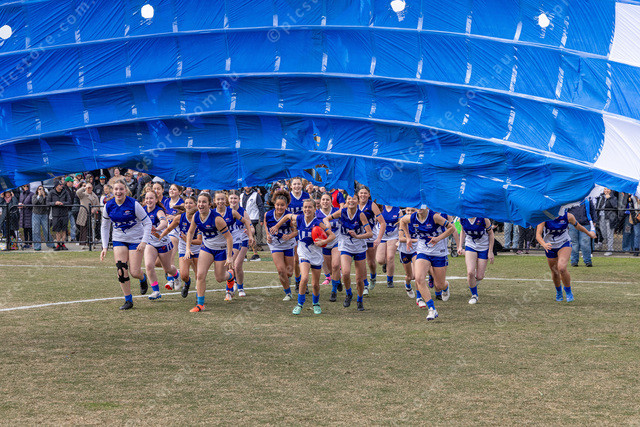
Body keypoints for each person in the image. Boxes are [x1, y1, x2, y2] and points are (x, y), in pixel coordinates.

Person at [271, 198, 335, 315]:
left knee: (315, 284)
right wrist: (277, 226)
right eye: (305, 207)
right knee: (304, 278)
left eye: (310, 207)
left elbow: (332, 236)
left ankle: (316, 303)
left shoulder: (318, 223)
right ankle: (299, 304)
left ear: (314, 209)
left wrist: (323, 242)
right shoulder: (299, 218)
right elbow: (287, 216)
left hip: (316, 255)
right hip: (303, 254)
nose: (307, 209)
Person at [100, 180, 152, 310]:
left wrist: (144, 241)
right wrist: (104, 247)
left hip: (135, 239)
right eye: (116, 189)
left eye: (121, 189)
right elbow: (105, 226)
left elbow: (147, 223)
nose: (118, 192)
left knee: (134, 272)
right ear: (112, 191)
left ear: (126, 190)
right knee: (121, 269)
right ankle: (128, 300)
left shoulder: (133, 204)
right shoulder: (108, 205)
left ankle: (142, 278)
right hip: (119, 239)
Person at [399, 207, 455, 321]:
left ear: (427, 206)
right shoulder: (412, 217)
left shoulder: (434, 217)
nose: (419, 208)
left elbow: (451, 228)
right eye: (417, 206)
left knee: (439, 285)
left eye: (422, 206)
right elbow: (402, 221)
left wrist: (438, 238)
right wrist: (408, 237)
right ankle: (432, 309)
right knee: (419, 278)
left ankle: (445, 286)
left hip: (439, 252)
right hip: (423, 251)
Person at [185, 192, 235, 312]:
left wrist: (229, 257)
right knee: (200, 275)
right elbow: (190, 232)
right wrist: (187, 248)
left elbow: (229, 237)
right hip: (207, 248)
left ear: (209, 204)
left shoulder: (217, 219)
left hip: (221, 250)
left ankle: (231, 276)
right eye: (199, 202)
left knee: (219, 278)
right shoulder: (196, 216)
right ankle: (200, 304)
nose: (201, 204)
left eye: (204, 202)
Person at [323, 194, 373, 311]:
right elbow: (326, 218)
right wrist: (327, 224)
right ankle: (349, 293)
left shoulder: (361, 215)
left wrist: (357, 236)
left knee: (359, 280)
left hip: (359, 247)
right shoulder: (342, 212)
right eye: (349, 199)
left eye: (354, 199)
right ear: (346, 201)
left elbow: (370, 233)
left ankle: (360, 300)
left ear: (357, 201)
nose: (351, 201)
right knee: (345, 273)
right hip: (345, 246)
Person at [536, 209, 596, 302]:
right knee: (554, 271)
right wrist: (544, 244)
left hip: (564, 243)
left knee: (562, 268)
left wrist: (589, 233)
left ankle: (568, 291)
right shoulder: (544, 216)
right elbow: (538, 235)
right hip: (550, 245)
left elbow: (578, 226)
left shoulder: (568, 216)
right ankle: (559, 292)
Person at [159, 195, 202, 299]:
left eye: (190, 203)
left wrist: (187, 239)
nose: (188, 205)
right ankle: (187, 283)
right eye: (186, 203)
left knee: (199, 275)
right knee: (184, 275)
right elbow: (168, 229)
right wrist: (160, 236)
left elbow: (199, 241)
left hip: (197, 249)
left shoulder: (200, 219)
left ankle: (199, 298)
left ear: (195, 205)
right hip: (183, 249)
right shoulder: (179, 218)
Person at [143, 190, 180, 300]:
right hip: (151, 243)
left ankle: (176, 276)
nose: (149, 200)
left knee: (167, 268)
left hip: (163, 242)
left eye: (151, 198)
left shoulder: (159, 211)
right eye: (147, 198)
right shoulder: (143, 210)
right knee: (149, 265)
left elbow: (164, 223)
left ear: (156, 200)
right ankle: (156, 291)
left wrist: (156, 229)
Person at [264, 190, 297, 300]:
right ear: (274, 204)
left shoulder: (289, 217)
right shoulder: (268, 214)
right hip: (275, 244)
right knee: (281, 270)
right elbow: (266, 225)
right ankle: (288, 293)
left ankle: (288, 278)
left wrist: (289, 236)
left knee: (289, 272)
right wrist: (267, 235)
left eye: (282, 205)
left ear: (286, 205)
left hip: (288, 243)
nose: (279, 207)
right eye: (277, 205)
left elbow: (296, 231)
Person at [457, 217, 495, 304]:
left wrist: (490, 251)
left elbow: (491, 234)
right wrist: (460, 246)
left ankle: (473, 282)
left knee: (479, 276)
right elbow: (463, 231)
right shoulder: (462, 218)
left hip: (483, 247)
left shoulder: (484, 219)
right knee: (470, 272)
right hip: (470, 245)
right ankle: (474, 295)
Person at [357, 186, 386, 295]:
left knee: (371, 262)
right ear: (358, 194)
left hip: (370, 236)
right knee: (361, 261)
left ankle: (373, 276)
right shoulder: (354, 203)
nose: (363, 195)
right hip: (359, 236)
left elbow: (383, 223)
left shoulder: (372, 205)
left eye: (365, 193)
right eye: (361, 193)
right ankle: (365, 285)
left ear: (369, 195)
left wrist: (379, 238)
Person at [316, 193, 342, 301]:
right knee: (331, 270)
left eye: (327, 200)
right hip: (324, 244)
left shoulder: (337, 211)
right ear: (320, 201)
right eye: (323, 199)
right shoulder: (316, 214)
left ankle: (333, 291)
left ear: (331, 201)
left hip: (337, 241)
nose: (325, 202)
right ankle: (337, 280)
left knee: (335, 265)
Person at [228, 190, 255, 297]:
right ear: (228, 199)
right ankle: (232, 284)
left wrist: (250, 233)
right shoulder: (225, 211)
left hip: (243, 240)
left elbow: (251, 227)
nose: (233, 200)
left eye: (235, 198)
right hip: (230, 241)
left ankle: (240, 288)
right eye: (231, 198)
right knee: (230, 265)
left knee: (237, 265)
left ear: (239, 199)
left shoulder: (243, 212)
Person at [288, 178, 310, 291]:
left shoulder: (306, 196)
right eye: (294, 184)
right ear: (291, 186)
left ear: (302, 185)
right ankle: (298, 281)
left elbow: (311, 211)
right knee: (296, 259)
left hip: (304, 229)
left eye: (298, 184)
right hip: (292, 230)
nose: (297, 186)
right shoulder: (288, 197)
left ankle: (304, 282)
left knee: (306, 258)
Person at [163, 184, 185, 279]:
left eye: (174, 189)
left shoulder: (182, 203)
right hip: (167, 230)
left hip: (177, 231)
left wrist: (175, 217)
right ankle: (174, 273)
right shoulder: (166, 201)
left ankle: (171, 279)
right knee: (159, 261)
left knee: (170, 255)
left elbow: (186, 217)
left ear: (179, 192)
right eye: (170, 189)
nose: (171, 191)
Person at [376, 206, 401, 288]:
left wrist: (400, 237)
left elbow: (401, 225)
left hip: (393, 236)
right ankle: (385, 263)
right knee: (380, 260)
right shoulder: (379, 208)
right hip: (381, 236)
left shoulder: (398, 210)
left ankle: (390, 280)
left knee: (390, 257)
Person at [397, 207, 418, 302]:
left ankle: (419, 296)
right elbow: (401, 238)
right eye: (408, 210)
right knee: (410, 276)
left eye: (412, 210)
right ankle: (407, 284)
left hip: (416, 250)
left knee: (417, 275)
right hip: (404, 250)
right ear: (405, 211)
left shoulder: (418, 220)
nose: (410, 212)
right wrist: (416, 240)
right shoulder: (403, 220)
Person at [567, 199, 596, 267]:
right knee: (574, 243)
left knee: (585, 243)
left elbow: (592, 210)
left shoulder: (588, 199)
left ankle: (587, 261)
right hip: (572, 224)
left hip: (585, 223)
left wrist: (594, 220)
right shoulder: (571, 198)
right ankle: (574, 261)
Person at [240, 186, 265, 261]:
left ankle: (255, 254)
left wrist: (262, 219)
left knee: (250, 235)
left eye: (249, 185)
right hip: (243, 219)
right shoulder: (241, 195)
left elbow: (261, 207)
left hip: (253, 218)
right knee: (245, 236)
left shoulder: (256, 195)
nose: (247, 187)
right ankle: (245, 254)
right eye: (246, 185)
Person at [47, 180, 71, 251]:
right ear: (56, 185)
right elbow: (47, 203)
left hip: (64, 214)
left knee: (64, 230)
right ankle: (58, 244)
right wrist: (55, 203)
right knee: (57, 230)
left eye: (62, 184)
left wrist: (63, 203)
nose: (61, 186)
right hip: (56, 214)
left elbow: (69, 202)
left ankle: (63, 244)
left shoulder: (65, 192)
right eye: (60, 184)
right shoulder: (51, 192)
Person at [32, 185, 54, 251]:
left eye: (42, 189)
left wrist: (44, 196)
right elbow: (34, 203)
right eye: (39, 189)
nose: (41, 190)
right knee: (36, 230)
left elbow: (46, 204)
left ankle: (50, 244)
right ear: (37, 190)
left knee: (46, 230)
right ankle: (37, 246)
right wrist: (39, 196)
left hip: (44, 214)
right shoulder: (34, 196)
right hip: (36, 214)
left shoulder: (46, 196)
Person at [596, 188, 618, 256]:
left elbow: (615, 206)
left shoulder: (614, 197)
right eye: (605, 189)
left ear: (611, 190)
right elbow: (598, 206)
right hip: (601, 217)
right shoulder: (601, 197)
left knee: (609, 234)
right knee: (603, 233)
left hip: (610, 218)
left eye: (608, 189)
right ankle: (609, 246)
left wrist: (610, 198)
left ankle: (609, 249)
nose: (606, 191)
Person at [18, 184, 34, 249]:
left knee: (30, 229)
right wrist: (19, 205)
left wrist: (25, 206)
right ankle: (26, 242)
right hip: (23, 213)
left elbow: (33, 204)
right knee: (24, 229)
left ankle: (30, 243)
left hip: (29, 213)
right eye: (24, 186)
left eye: (27, 186)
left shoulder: (31, 194)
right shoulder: (21, 194)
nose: (25, 187)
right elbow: (20, 201)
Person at [64, 176, 79, 242]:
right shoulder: (64, 189)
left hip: (72, 209)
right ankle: (65, 237)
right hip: (66, 209)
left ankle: (73, 237)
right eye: (71, 182)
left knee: (73, 224)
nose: (72, 183)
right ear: (67, 182)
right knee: (65, 224)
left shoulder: (74, 189)